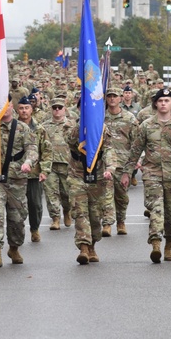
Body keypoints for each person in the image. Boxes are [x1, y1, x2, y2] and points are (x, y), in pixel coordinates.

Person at [122, 89, 171, 263]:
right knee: (156, 210)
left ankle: (169, 245)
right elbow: (135, 150)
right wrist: (127, 171)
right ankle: (155, 244)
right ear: (155, 103)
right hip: (152, 174)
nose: (163, 103)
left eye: (167, 100)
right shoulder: (146, 125)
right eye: (160, 100)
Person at [0, 103, 38, 268]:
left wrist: (28, 161)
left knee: (17, 218)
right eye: (2, 105)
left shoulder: (23, 128)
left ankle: (14, 247)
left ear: (13, 107)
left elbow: (32, 148)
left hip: (17, 178)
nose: (5, 108)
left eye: (8, 105)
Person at [64, 121, 116, 264]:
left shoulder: (103, 128)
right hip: (77, 175)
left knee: (95, 214)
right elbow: (70, 140)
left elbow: (109, 150)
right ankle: (84, 248)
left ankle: (92, 245)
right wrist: (82, 127)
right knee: (80, 212)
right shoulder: (71, 126)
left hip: (97, 176)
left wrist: (110, 168)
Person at [101, 87, 136, 235]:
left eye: (115, 96)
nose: (112, 99)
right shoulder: (100, 117)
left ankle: (121, 221)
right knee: (106, 195)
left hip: (123, 164)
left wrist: (135, 163)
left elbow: (136, 142)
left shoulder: (129, 118)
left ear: (121, 98)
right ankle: (107, 223)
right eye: (109, 96)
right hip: (104, 164)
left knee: (121, 197)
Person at [39, 97, 72, 231]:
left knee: (67, 193)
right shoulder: (44, 126)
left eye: (60, 107)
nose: (57, 110)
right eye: (54, 108)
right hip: (50, 164)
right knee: (51, 193)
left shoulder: (71, 125)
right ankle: (55, 218)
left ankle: (67, 211)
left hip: (67, 163)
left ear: (64, 109)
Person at [16, 96, 45, 243]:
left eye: (26, 108)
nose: (24, 111)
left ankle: (34, 229)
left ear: (32, 110)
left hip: (34, 173)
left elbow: (46, 150)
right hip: (15, 173)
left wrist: (45, 170)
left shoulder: (39, 128)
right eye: (21, 108)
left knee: (35, 204)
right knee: (17, 206)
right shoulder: (12, 126)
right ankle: (18, 231)